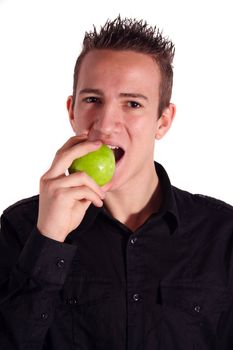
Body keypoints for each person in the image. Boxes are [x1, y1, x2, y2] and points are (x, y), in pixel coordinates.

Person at [0, 16, 233, 350]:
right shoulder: (21, 228)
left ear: (163, 121)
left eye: (133, 103)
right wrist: (47, 242)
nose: (106, 124)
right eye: (93, 99)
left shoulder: (222, 233)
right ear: (72, 110)